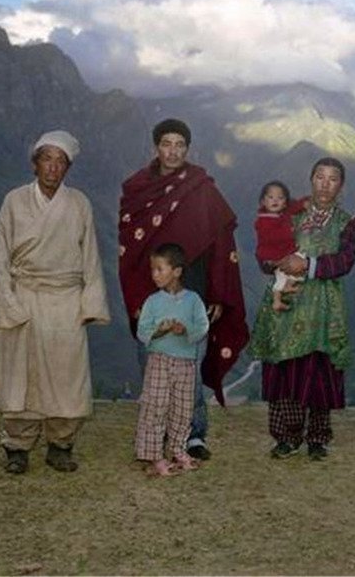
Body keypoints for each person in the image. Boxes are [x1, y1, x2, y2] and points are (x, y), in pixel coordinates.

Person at [118, 119, 249, 460]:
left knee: (190, 366)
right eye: (167, 143)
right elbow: (130, 252)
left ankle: (194, 435)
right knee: (153, 367)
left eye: (180, 144)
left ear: (188, 149)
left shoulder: (202, 189)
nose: (173, 151)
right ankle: (157, 432)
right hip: (151, 295)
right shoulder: (138, 190)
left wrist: (217, 295)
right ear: (156, 147)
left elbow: (222, 244)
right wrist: (135, 300)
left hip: (195, 290)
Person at [0, 130, 110, 474]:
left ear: (68, 168)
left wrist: (90, 304)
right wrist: (7, 304)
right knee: (20, 377)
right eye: (47, 159)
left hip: (65, 301)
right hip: (24, 296)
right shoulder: (14, 201)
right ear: (35, 163)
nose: (53, 167)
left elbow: (90, 256)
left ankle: (61, 444)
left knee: (67, 377)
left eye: (60, 161)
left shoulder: (79, 204)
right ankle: (17, 446)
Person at [251, 157, 355, 461]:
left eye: (333, 179)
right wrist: (273, 263)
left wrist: (308, 264)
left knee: (319, 372)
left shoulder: (347, 222)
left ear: (341, 185)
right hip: (287, 302)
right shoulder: (291, 213)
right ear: (311, 179)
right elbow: (265, 245)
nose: (325, 184)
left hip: (324, 306)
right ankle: (286, 436)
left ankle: (317, 438)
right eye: (320, 177)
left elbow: (346, 260)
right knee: (285, 370)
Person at [135, 243, 210, 476]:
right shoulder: (152, 301)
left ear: (176, 271)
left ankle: (178, 450)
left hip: (186, 363)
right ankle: (154, 456)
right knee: (155, 407)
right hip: (159, 361)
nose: (154, 275)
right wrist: (159, 332)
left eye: (160, 269)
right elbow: (142, 331)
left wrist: (185, 330)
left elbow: (202, 327)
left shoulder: (193, 300)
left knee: (182, 409)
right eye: (153, 270)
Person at [254, 180, 307, 311]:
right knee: (300, 259)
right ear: (263, 202)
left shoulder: (282, 213)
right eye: (271, 197)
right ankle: (283, 289)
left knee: (281, 274)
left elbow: (293, 208)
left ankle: (277, 300)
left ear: (285, 203)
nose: (275, 200)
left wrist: (304, 203)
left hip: (278, 253)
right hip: (272, 254)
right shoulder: (264, 220)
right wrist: (291, 232)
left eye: (280, 198)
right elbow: (275, 237)